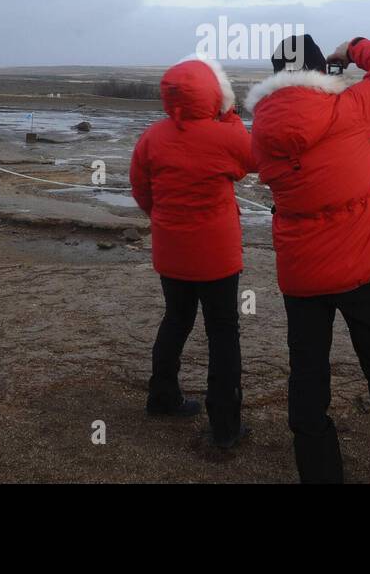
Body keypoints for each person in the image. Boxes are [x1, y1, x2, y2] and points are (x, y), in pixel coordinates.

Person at [245, 34, 370, 483]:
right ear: (319, 71)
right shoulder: (353, 110)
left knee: (307, 378)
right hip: (363, 266)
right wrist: (352, 48)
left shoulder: (263, 131)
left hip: (303, 272)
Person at [130, 57, 254, 449]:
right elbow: (252, 160)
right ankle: (224, 425)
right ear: (213, 94)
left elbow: (141, 190)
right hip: (216, 255)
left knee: (176, 320)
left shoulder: (152, 137)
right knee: (222, 333)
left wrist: (164, 219)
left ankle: (162, 396)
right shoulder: (226, 137)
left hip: (172, 252)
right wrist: (230, 114)